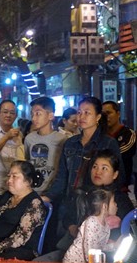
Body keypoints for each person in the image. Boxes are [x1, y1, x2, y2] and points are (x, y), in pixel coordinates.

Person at [43, 97, 124, 245]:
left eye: (87, 113)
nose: (82, 116)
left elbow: (118, 177)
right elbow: (62, 177)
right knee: (64, 247)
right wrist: (46, 197)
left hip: (94, 207)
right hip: (69, 205)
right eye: (79, 112)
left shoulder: (107, 143)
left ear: (98, 117)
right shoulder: (70, 143)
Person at [36, 149, 134, 262]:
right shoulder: (82, 193)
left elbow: (128, 228)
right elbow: (67, 218)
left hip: (106, 256)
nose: (98, 172)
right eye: (95, 167)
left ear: (115, 174)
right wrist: (73, 228)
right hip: (74, 250)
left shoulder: (120, 199)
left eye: (104, 168)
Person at [0, 160, 47, 260]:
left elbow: (20, 237)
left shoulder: (34, 203)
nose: (9, 180)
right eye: (9, 176)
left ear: (28, 181)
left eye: (14, 176)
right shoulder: (7, 195)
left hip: (16, 251)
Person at [62, 187, 118, 263]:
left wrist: (114, 246)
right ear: (105, 206)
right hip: (74, 261)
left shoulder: (106, 227)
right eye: (113, 202)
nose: (116, 204)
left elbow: (99, 247)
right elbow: (89, 249)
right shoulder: (91, 222)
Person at [24, 97, 66, 195]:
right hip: (32, 192)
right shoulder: (29, 139)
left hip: (53, 193)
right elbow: (28, 161)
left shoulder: (61, 139)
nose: (34, 118)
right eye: (32, 114)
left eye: (38, 114)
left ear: (51, 115)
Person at [102, 101, 136, 189]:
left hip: (121, 186)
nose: (106, 117)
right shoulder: (100, 135)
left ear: (118, 114)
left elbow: (125, 152)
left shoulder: (129, 134)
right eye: (103, 114)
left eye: (109, 113)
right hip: (102, 184)